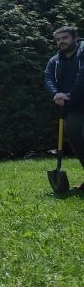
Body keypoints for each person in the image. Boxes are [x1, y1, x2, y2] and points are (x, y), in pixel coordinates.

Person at [44, 25, 84, 189]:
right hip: (70, 110)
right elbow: (48, 78)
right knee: (78, 145)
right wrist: (56, 94)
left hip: (76, 102)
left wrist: (70, 96)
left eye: (65, 38)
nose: (61, 42)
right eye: (58, 39)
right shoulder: (55, 60)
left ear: (75, 38)